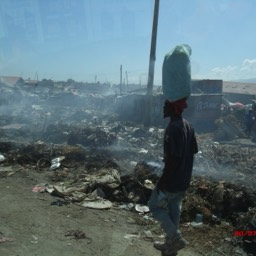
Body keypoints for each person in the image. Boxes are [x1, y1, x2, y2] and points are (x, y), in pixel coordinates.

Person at [148, 98, 198, 255]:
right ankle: (170, 247)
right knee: (174, 210)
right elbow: (193, 150)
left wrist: (163, 180)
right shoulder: (188, 125)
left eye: (166, 105)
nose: (163, 108)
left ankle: (176, 238)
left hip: (173, 179)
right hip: (184, 178)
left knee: (154, 206)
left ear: (174, 108)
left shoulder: (172, 128)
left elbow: (174, 160)